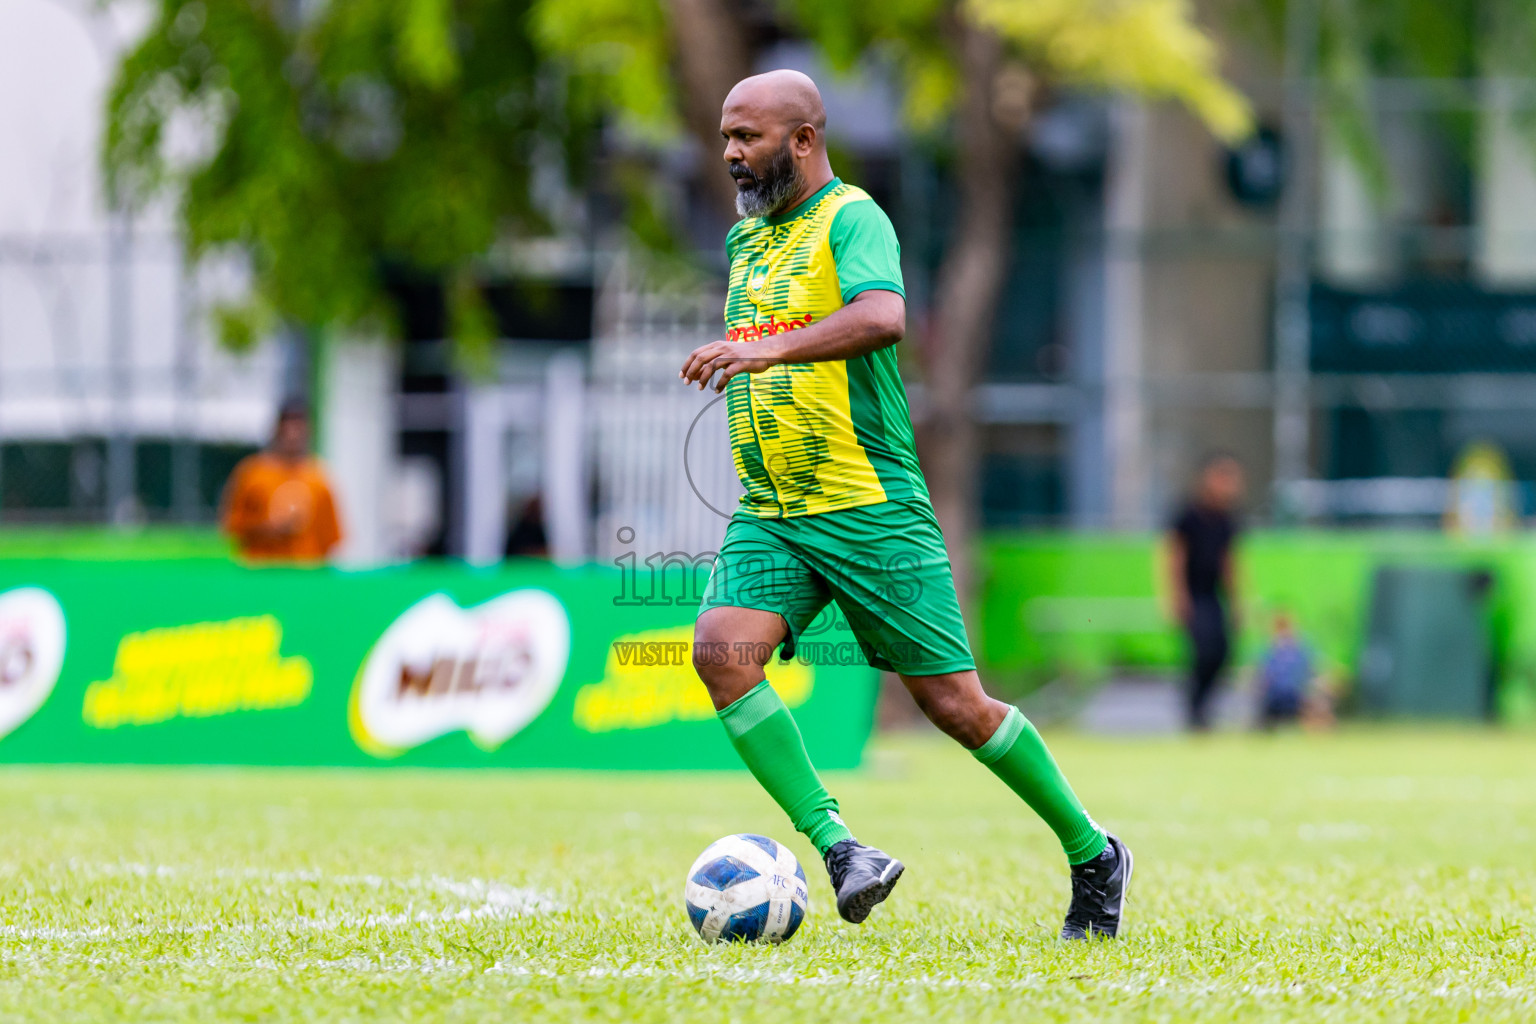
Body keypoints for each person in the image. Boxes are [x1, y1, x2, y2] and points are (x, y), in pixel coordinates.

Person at [679, 70, 1130, 940]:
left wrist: (764, 356)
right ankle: (841, 848)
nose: (731, 153)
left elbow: (883, 317)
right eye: (726, 136)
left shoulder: (853, 217)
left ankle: (1093, 852)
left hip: (869, 505)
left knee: (956, 706)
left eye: (748, 137)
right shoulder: (747, 244)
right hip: (772, 508)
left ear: (803, 141)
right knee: (720, 652)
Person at [1162, 452, 1245, 731]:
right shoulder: (1188, 515)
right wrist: (1176, 595)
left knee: (1224, 651)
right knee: (1203, 651)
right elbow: (1174, 556)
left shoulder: (1227, 520)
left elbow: (1229, 562)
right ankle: (1194, 709)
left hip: (1214, 594)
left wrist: (1237, 602)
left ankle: (1202, 707)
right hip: (1193, 595)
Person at [220, 399, 343, 563]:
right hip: (262, 573)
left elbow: (330, 539)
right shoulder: (253, 473)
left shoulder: (318, 478)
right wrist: (269, 529)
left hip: (304, 577)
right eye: (288, 428)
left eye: (299, 429)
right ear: (277, 430)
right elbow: (232, 526)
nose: (293, 435)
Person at [1256, 612, 1312, 729]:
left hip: (1294, 695)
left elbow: (1308, 671)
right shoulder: (1270, 650)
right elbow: (1264, 674)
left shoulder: (1300, 649)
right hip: (1274, 696)